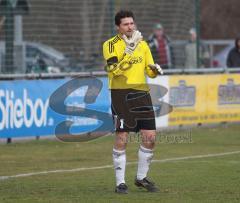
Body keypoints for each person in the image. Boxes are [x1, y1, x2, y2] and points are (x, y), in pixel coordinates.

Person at [103, 10, 163, 194]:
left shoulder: (142, 44)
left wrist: (154, 70)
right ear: (118, 27)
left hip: (141, 93)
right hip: (121, 95)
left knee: (150, 137)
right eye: (126, 24)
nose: (130, 27)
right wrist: (128, 51)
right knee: (122, 138)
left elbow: (148, 69)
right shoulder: (110, 45)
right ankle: (120, 182)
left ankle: (141, 178)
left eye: (132, 23)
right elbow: (114, 71)